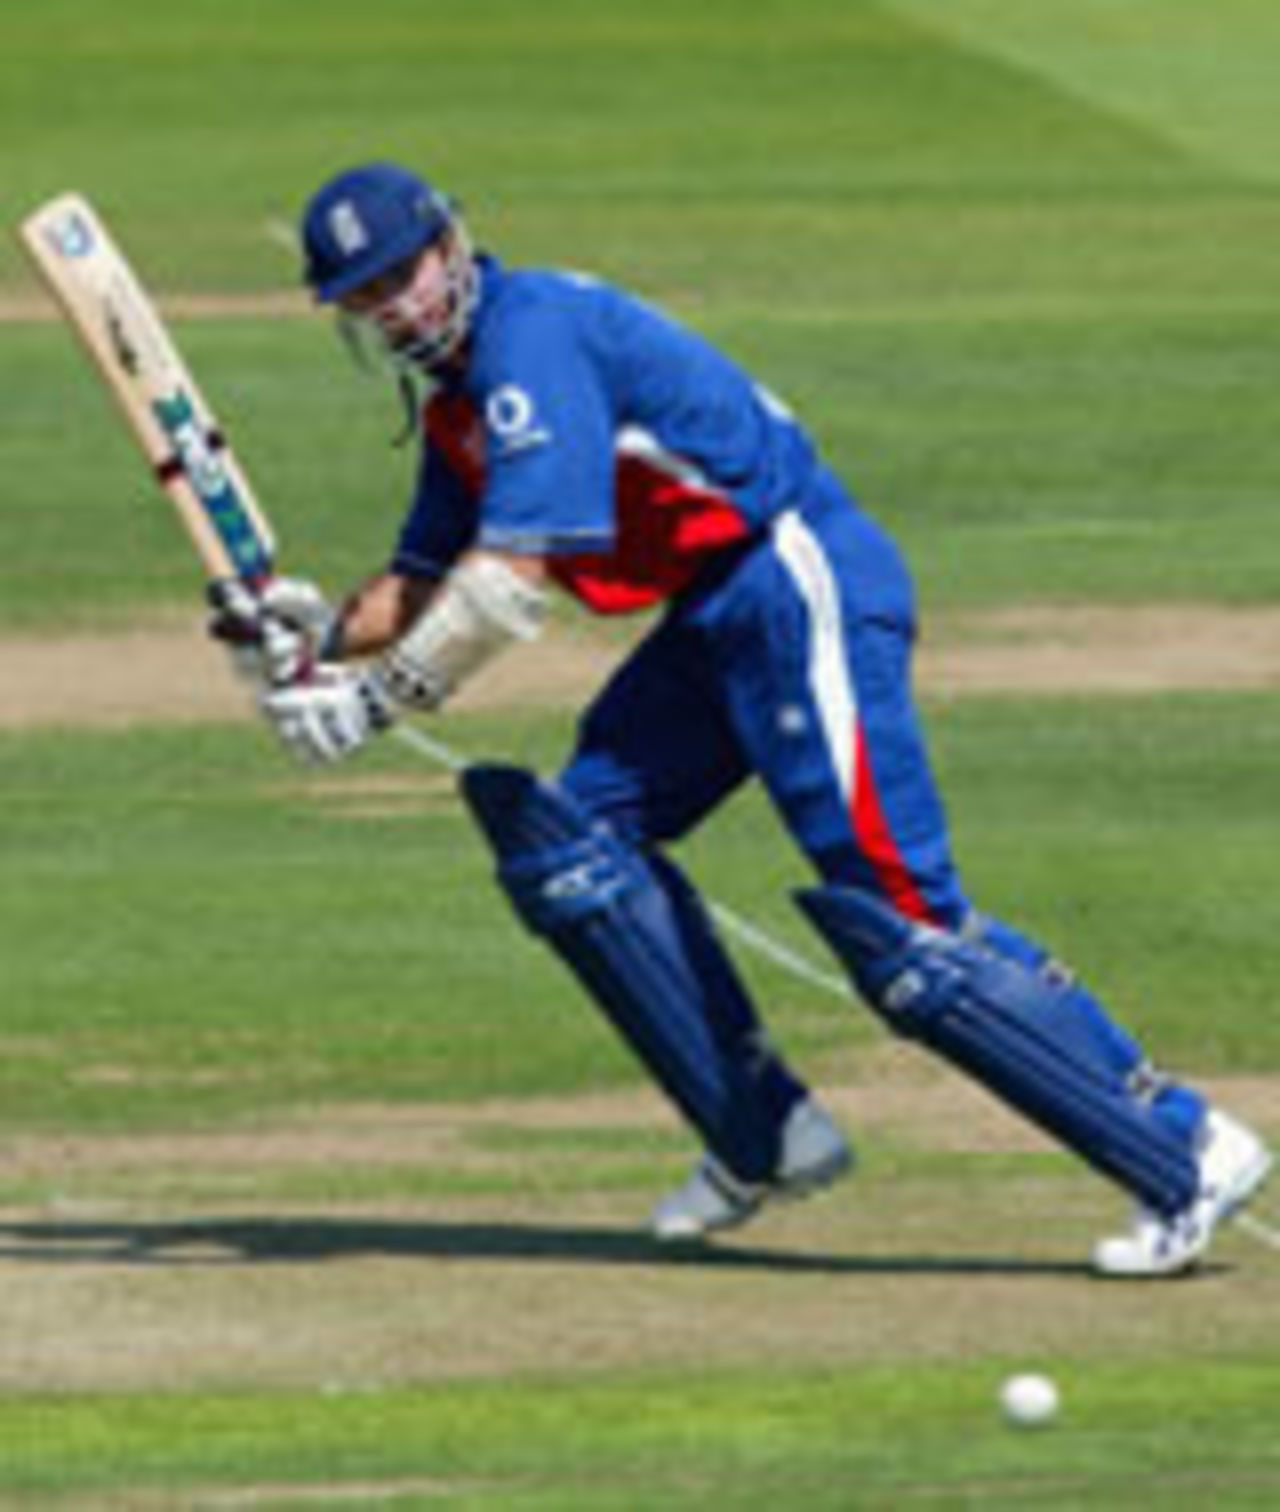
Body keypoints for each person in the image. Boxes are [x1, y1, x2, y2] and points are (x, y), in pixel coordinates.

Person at [218, 160, 1272, 1277]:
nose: (395, 305)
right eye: (365, 294)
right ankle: (761, 1135)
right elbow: (421, 582)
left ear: (449, 245)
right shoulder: (460, 408)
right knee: (573, 849)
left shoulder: (532, 339)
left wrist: (370, 706)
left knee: (901, 929)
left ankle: (1185, 1148)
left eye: (404, 273)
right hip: (715, 616)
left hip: (792, 577)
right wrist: (310, 638)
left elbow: (503, 587)